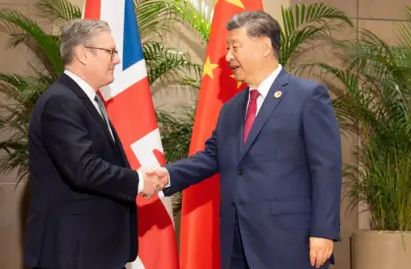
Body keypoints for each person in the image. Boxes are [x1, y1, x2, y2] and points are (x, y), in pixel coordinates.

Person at [146, 10, 342, 269]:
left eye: (234, 47)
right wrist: (168, 175)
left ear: (263, 46)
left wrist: (323, 231)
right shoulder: (230, 108)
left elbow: (326, 167)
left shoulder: (307, 96)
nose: (227, 56)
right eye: (227, 48)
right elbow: (213, 156)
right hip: (236, 240)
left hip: (290, 241)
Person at [23, 19, 161, 269]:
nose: (117, 60)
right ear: (83, 54)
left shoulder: (84, 100)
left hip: (93, 250)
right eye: (110, 52)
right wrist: (139, 181)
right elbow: (83, 168)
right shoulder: (61, 102)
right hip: (73, 252)